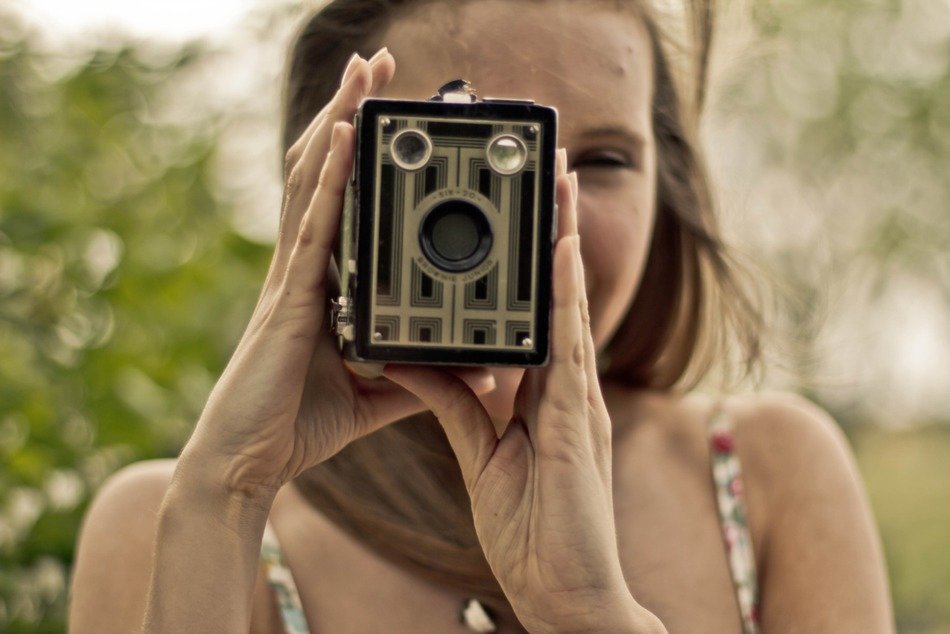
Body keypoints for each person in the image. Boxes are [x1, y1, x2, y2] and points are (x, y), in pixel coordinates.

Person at [67, 1, 895, 632]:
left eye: (601, 161)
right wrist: (228, 495)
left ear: (666, 186)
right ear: (327, 181)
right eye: (461, 153)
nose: (532, 218)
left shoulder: (770, 475)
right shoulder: (173, 523)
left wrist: (593, 616)